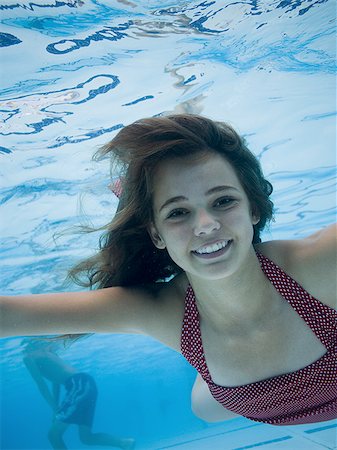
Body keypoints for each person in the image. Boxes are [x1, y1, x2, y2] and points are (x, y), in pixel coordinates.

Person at [1, 114, 336, 426]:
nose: (206, 226)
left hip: (239, 387)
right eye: (178, 212)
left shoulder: (316, 264)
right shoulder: (164, 313)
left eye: (223, 201)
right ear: (156, 234)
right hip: (228, 401)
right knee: (204, 409)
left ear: (254, 208)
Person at [22, 340, 135, 450]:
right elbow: (55, 382)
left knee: (53, 435)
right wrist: (55, 408)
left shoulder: (28, 357)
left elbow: (41, 385)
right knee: (86, 438)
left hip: (78, 385)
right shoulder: (47, 352)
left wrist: (55, 408)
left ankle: (124, 443)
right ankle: (125, 443)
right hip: (86, 383)